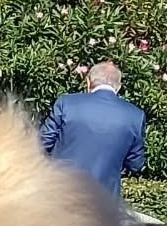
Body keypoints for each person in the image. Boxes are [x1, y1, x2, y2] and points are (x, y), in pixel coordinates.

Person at [40, 61, 147, 197]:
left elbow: (43, 143)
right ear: (118, 87)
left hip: (60, 192)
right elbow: (136, 164)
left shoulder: (66, 103)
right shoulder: (135, 115)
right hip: (104, 200)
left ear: (88, 82)